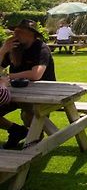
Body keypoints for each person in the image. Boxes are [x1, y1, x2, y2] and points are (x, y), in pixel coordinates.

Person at [0, 19, 56, 149]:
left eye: (19, 32)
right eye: (15, 32)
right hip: (15, 94)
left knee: (30, 117)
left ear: (31, 34)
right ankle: (15, 130)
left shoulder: (41, 48)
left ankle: (32, 148)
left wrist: (7, 76)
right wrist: (3, 51)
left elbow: (36, 74)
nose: (15, 35)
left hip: (41, 96)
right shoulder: (14, 47)